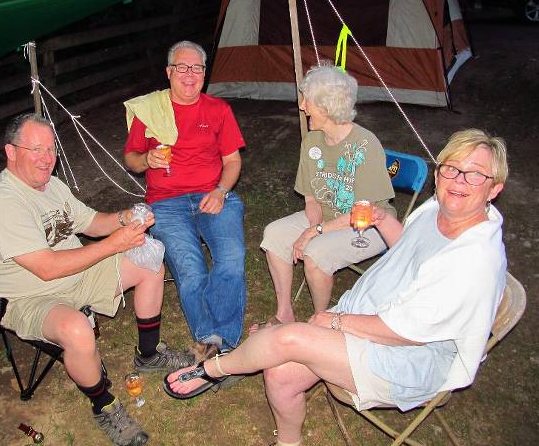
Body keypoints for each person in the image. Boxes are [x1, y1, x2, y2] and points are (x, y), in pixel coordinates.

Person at [165, 129, 508, 446]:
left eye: (476, 174)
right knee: (280, 371)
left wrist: (335, 321)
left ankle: (212, 370)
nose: (460, 180)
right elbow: (409, 252)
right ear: (438, 173)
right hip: (374, 318)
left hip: (410, 358)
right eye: (452, 168)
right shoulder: (436, 209)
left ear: (495, 188)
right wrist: (385, 220)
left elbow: (409, 332)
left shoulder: (473, 258)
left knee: (288, 338)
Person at [0, 113, 196, 446]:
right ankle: (103, 404)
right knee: (77, 328)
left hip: (75, 273)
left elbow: (90, 223)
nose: (47, 158)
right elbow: (47, 268)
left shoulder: (50, 184)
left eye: (51, 149)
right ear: (11, 151)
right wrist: (114, 244)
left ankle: (149, 354)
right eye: (36, 149)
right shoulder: (1, 203)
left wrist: (125, 217)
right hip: (30, 297)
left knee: (149, 260)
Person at [123, 40, 247, 353]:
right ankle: (211, 339)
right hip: (166, 203)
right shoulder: (150, 111)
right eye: (181, 67)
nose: (189, 74)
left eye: (197, 68)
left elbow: (233, 162)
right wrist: (147, 159)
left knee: (231, 260)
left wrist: (221, 191)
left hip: (212, 196)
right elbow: (132, 159)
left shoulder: (219, 110)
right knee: (190, 267)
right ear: (168, 72)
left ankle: (224, 340)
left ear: (204, 73)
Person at [261, 64, 396, 325]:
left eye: (307, 100)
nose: (302, 106)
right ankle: (284, 313)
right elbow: (311, 198)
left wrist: (315, 233)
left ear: (326, 107)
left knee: (316, 254)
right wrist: (312, 228)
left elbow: (365, 211)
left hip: (369, 225)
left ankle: (319, 321)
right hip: (327, 214)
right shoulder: (312, 141)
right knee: (274, 234)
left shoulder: (365, 145)